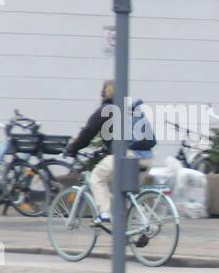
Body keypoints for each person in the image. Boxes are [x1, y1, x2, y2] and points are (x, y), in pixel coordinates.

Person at [63, 80, 156, 228]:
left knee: (97, 178)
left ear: (104, 93)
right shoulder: (130, 110)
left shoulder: (105, 110)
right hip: (147, 158)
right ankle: (144, 226)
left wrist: (72, 149)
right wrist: (107, 149)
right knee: (127, 195)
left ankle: (104, 214)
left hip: (126, 156)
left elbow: (87, 134)